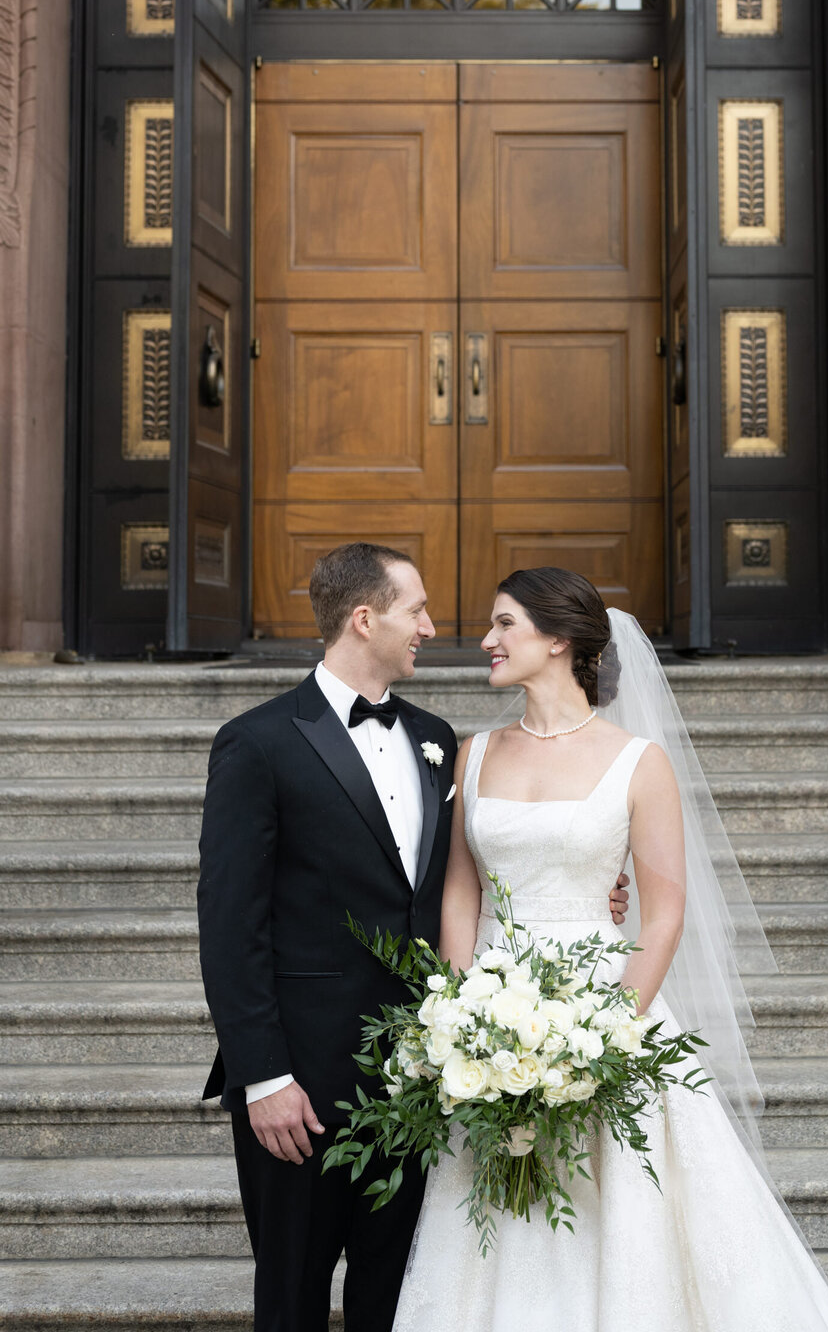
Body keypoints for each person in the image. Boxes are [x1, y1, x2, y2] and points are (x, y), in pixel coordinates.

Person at [391, 567, 828, 1332]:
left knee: (625, 1213)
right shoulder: (473, 755)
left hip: (606, 1008)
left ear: (559, 640)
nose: (487, 640)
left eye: (505, 624)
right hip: (492, 1012)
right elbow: (458, 896)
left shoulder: (639, 762)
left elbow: (664, 912)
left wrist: (604, 1036)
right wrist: (462, 1014)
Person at [196, 540, 632, 1332]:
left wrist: (595, 871)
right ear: (364, 620)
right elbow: (229, 925)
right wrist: (262, 1078)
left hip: (424, 1077)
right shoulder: (257, 742)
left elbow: (474, 873)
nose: (433, 626)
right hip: (302, 1085)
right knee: (290, 1296)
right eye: (416, 610)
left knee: (398, 1301)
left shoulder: (438, 737)